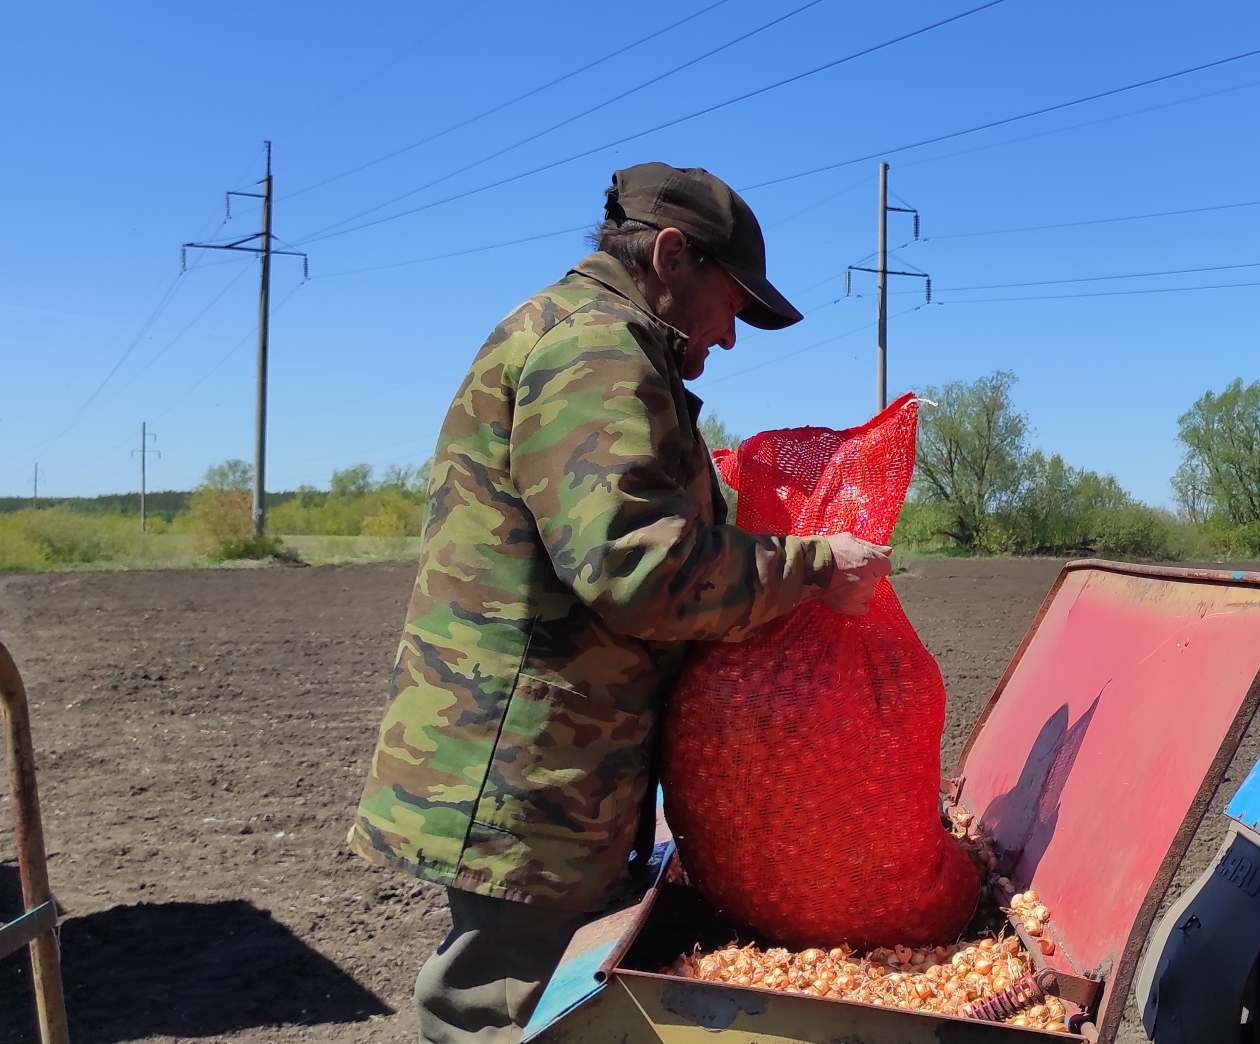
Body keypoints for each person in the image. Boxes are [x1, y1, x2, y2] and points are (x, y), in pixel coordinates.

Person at [346, 162, 890, 1043]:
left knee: (540, 1006)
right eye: (735, 304)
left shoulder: (583, 338)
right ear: (671, 256)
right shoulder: (594, 349)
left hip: (553, 773)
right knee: (501, 1015)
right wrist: (815, 564)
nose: (733, 336)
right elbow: (639, 569)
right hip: (531, 778)